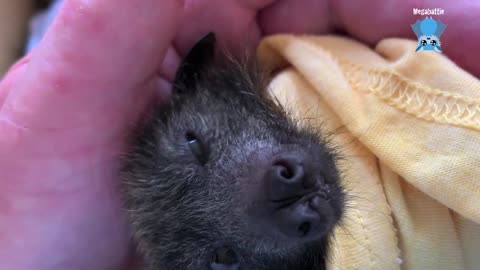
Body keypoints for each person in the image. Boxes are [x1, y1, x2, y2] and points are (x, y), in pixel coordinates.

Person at [0, 1, 478, 269]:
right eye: (223, 257)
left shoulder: (324, 71)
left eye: (194, 147)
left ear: (196, 77)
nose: (275, 191)